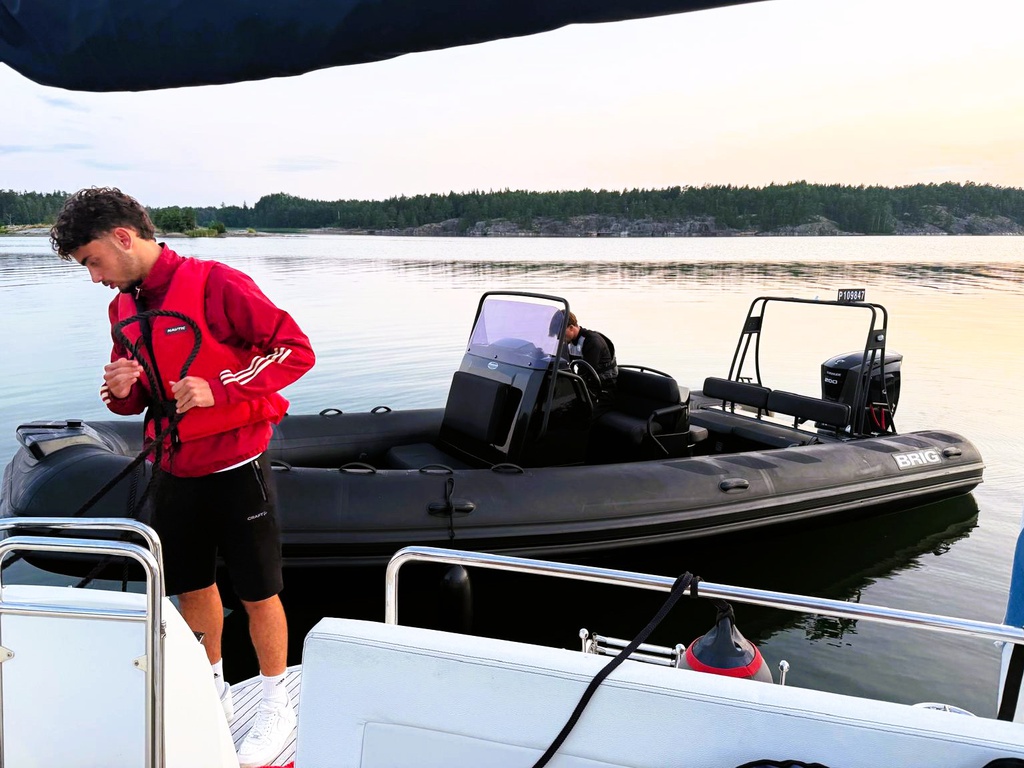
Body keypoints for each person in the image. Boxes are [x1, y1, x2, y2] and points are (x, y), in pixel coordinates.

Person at [50, 187, 316, 767]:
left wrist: (220, 387)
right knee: (192, 586)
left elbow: (295, 351)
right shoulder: (123, 308)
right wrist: (122, 391)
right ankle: (213, 690)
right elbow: (139, 396)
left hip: (237, 464)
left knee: (258, 591)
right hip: (172, 466)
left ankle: (276, 704)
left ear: (124, 237)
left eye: (93, 260)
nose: (94, 277)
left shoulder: (217, 283)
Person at [554, 310, 618, 414]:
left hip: (602, 390)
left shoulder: (592, 342)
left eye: (560, 333)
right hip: (586, 387)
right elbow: (561, 362)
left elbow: (584, 373)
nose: (558, 337)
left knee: (579, 415)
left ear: (571, 327)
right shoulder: (569, 341)